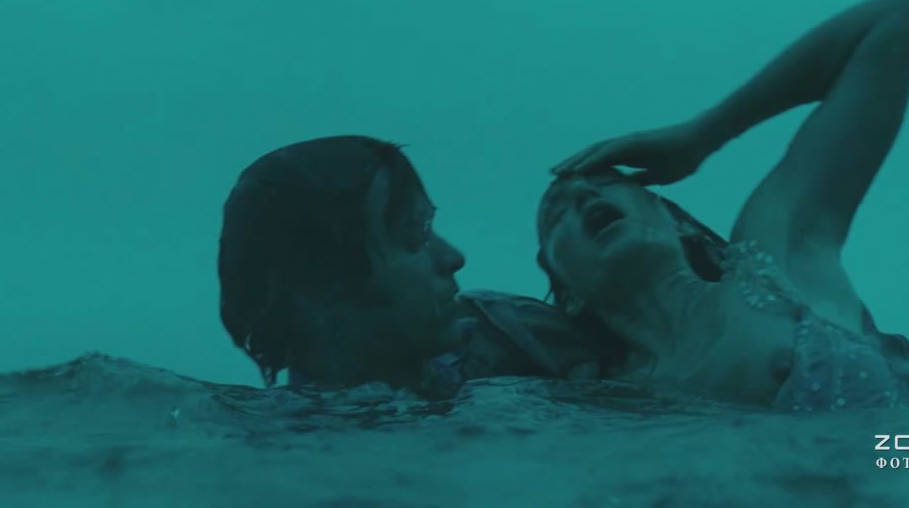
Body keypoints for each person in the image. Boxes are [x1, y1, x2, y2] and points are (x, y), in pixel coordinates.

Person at [537, 0, 909, 411]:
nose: (583, 195)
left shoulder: (771, 264)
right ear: (568, 294)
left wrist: (702, 136)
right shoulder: (610, 403)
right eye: (556, 213)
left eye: (608, 182)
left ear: (676, 223)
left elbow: (893, 17)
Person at [217, 136, 616, 395]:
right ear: (322, 296)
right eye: (414, 236)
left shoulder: (514, 334)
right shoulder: (286, 444)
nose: (454, 257)